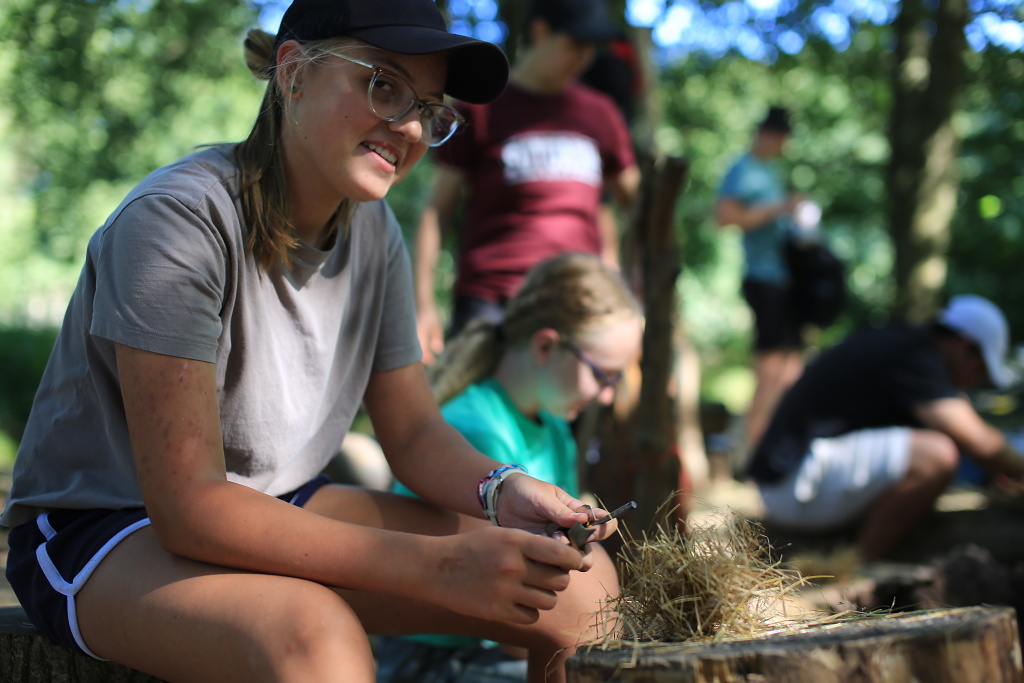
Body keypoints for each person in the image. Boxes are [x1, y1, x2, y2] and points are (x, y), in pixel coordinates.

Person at [0, 2, 624, 682]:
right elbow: (189, 508)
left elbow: (412, 431)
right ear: (293, 72)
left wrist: (504, 490)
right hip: (110, 527)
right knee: (315, 638)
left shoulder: (374, 231)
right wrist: (437, 567)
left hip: (281, 499)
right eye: (383, 86)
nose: (411, 127)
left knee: (582, 593)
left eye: (429, 108)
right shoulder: (177, 226)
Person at [377, 252, 644, 682]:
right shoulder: (477, 430)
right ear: (545, 345)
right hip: (438, 656)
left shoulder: (555, 428)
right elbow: (514, 609)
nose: (608, 396)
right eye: (603, 375)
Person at [413, 0, 641, 364]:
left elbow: (643, 209)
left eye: (590, 49)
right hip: (490, 303)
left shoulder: (601, 115)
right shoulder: (481, 109)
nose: (584, 59)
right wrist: (422, 303)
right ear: (540, 32)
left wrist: (632, 291)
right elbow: (435, 211)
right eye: (574, 44)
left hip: (577, 307)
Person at [747, 295, 1024, 562]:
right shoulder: (916, 356)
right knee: (937, 456)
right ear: (964, 347)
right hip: (793, 486)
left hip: (790, 482)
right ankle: (860, 565)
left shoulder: (906, 346)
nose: (976, 380)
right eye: (980, 370)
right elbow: (981, 442)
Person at [714, 105, 806, 454]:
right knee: (768, 370)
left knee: (790, 369)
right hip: (762, 278)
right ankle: (754, 452)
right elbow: (724, 216)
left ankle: (779, 445)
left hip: (785, 280)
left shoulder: (772, 171)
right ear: (766, 134)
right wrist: (780, 208)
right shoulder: (743, 168)